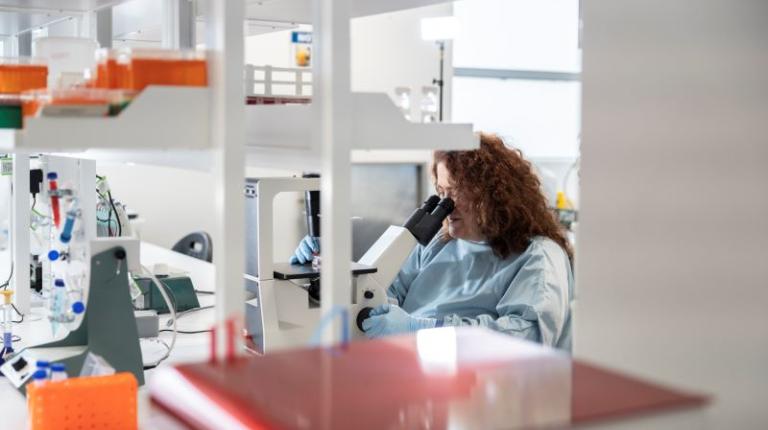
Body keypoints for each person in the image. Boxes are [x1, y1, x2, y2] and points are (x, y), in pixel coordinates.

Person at [291, 133, 574, 350]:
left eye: (455, 191)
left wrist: (421, 328)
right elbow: (383, 290)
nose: (446, 204)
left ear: (492, 194)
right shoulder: (438, 243)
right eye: (441, 191)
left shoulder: (538, 256)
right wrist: (327, 269)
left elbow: (525, 339)